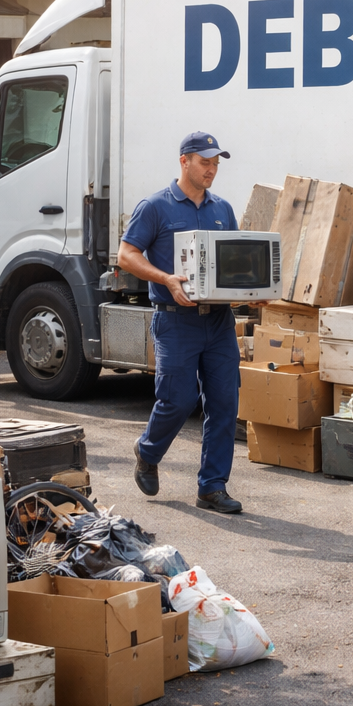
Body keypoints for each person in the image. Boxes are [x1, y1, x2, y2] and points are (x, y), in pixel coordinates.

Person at [117, 132, 246, 515]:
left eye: (216, 164)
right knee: (178, 400)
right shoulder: (155, 206)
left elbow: (234, 263)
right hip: (176, 322)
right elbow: (126, 255)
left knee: (224, 403)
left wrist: (251, 292)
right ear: (184, 161)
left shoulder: (222, 209)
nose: (211, 170)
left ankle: (212, 487)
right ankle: (148, 452)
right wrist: (166, 279)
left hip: (218, 322)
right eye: (205, 162)